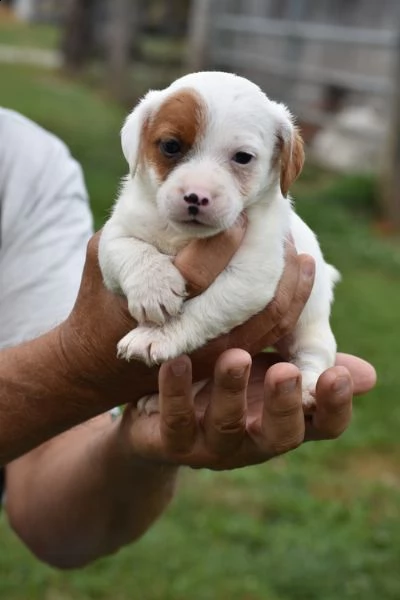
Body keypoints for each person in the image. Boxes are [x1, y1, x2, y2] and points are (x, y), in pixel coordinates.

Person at [0, 108, 375, 569]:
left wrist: (135, 442)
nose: (198, 188)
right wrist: (84, 366)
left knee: (308, 321)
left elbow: (53, 522)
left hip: (234, 338)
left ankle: (312, 362)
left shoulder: (26, 164)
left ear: (284, 162)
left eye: (240, 158)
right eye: (172, 149)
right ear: (137, 142)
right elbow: (115, 250)